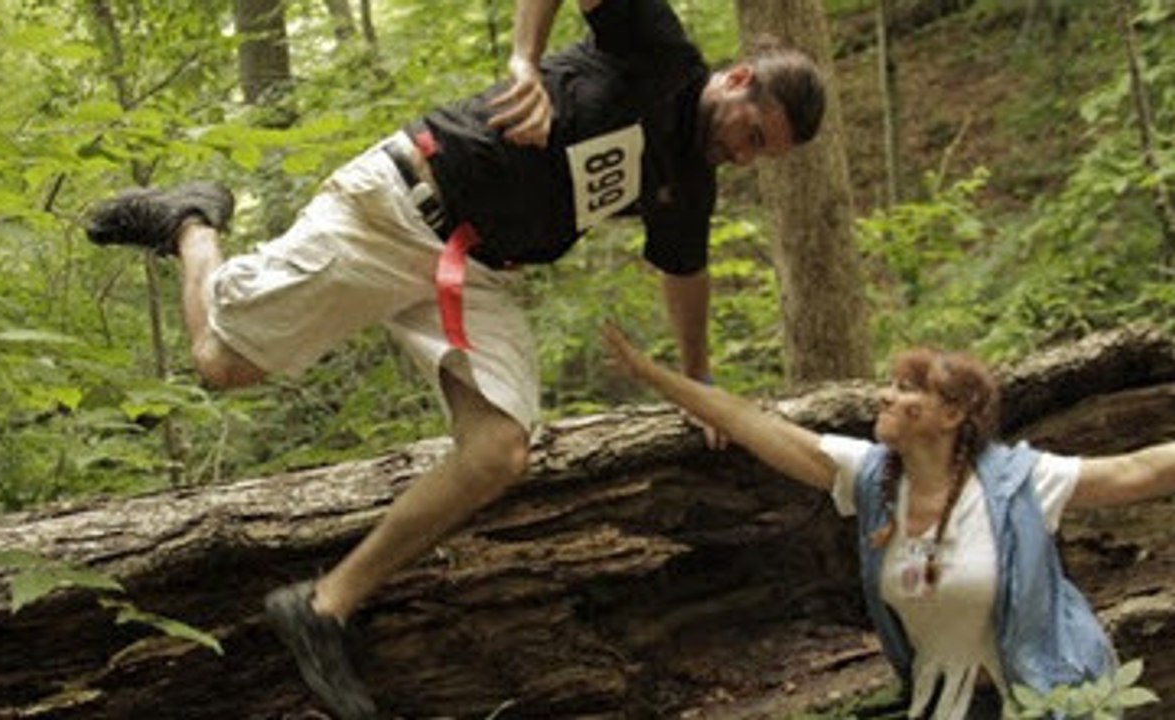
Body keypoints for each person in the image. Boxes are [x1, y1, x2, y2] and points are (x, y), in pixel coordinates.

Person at [83, 0, 825, 716]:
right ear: (735, 81)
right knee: (220, 362)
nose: (744, 156)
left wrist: (697, 382)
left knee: (499, 449)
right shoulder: (661, 51)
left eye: (763, 154)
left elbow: (683, 274)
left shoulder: (691, 182)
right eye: (752, 134)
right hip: (399, 207)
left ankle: (322, 607)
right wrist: (523, 64)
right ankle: (189, 222)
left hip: (476, 271)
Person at [600, 321, 1175, 719]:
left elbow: (1140, 470)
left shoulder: (1017, 482)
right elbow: (753, 423)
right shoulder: (871, 477)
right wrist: (651, 373)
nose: (883, 396)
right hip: (941, 705)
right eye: (892, 383)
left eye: (906, 389)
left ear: (951, 414)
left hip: (1049, 700)